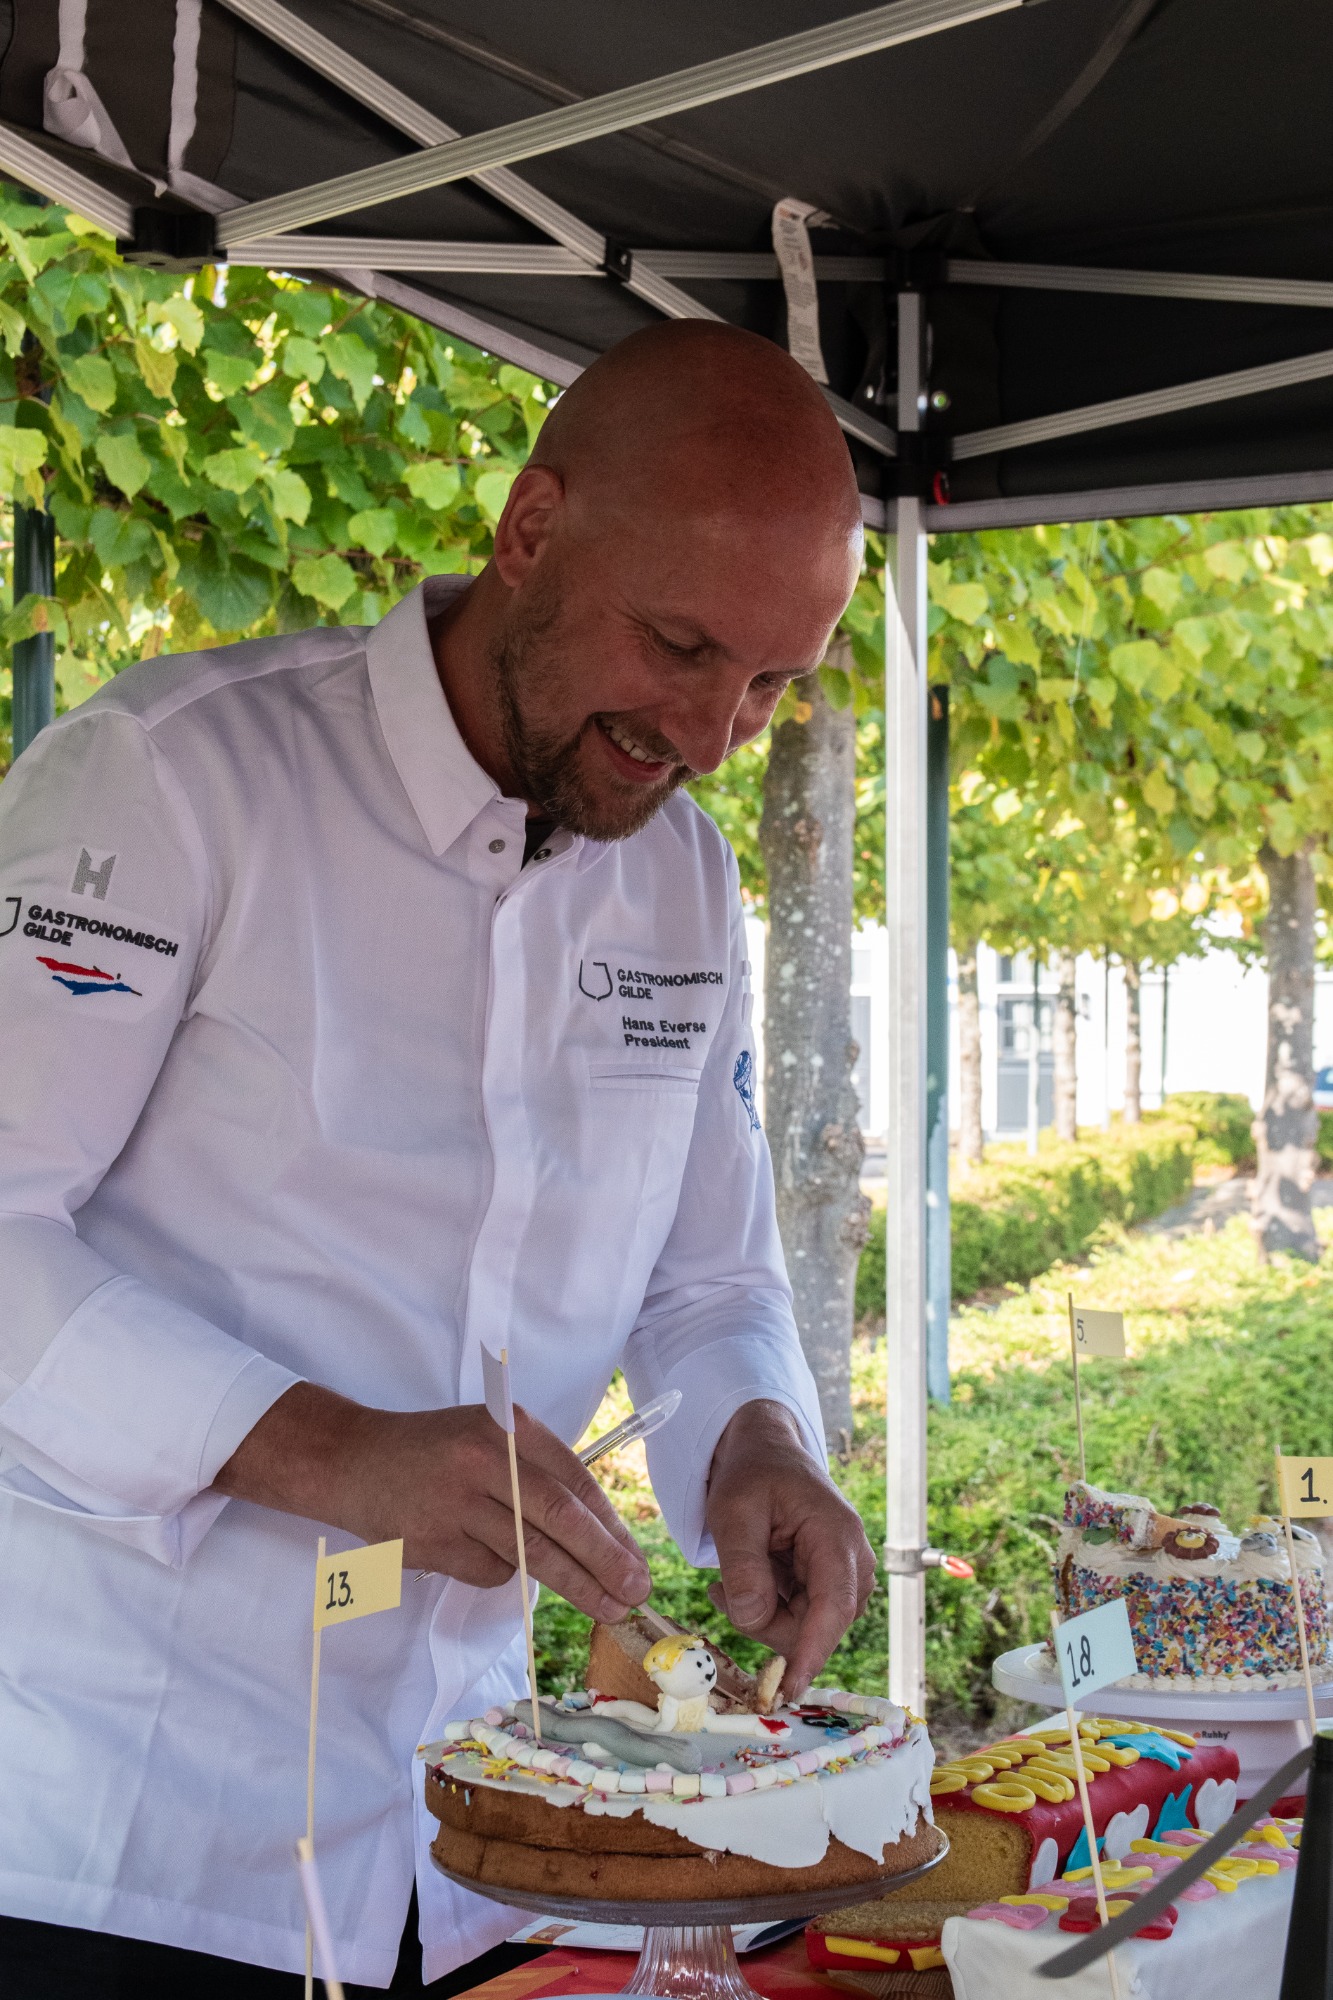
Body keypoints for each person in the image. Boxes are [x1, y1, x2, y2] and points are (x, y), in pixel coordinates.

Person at [0, 319, 876, 1993]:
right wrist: (326, 1447)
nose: (711, 733)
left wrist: (757, 1437)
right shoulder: (174, 778)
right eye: (680, 646)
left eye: (772, 683)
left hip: (469, 1837)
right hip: (121, 1838)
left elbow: (704, 1279)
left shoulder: (683, 882)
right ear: (531, 528)